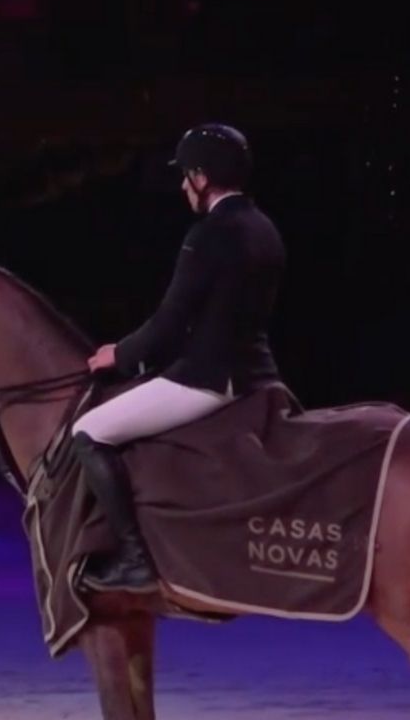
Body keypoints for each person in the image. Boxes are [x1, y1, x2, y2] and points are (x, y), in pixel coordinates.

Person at [74, 124, 286, 592]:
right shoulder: (263, 226)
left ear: (200, 178)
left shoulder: (208, 234)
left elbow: (170, 320)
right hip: (258, 372)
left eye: (185, 176)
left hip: (208, 379)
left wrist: (120, 355)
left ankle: (134, 560)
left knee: (88, 432)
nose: (182, 187)